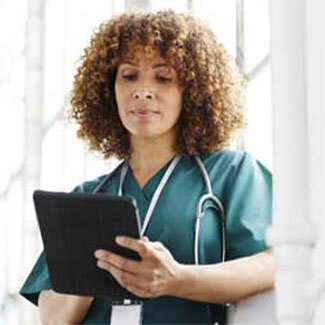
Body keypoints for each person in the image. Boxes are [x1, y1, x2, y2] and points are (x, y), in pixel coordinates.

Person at [19, 9, 275, 325]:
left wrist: (177, 278)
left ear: (192, 90)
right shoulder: (87, 198)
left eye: (163, 77)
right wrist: (91, 266)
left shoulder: (232, 174)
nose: (142, 90)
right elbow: (54, 319)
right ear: (107, 88)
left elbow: (275, 262)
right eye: (128, 76)